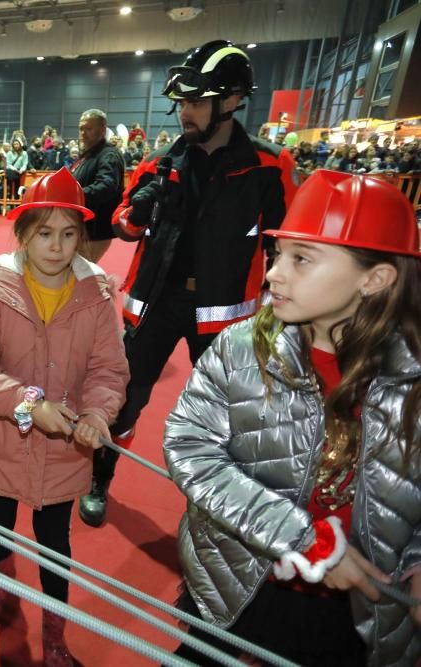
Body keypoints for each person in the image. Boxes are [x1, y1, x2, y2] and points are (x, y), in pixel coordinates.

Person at [164, 170, 421, 666]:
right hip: (238, 580)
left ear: (376, 278)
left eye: (302, 259)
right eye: (279, 254)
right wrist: (302, 537)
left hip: (355, 612)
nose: (274, 274)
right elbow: (190, 448)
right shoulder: (241, 349)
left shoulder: (413, 377)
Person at [78, 40, 299, 527]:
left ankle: (211, 509)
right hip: (155, 303)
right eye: (182, 102)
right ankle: (99, 478)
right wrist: (138, 209)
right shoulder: (160, 161)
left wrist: (282, 309)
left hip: (226, 315)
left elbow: (287, 245)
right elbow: (122, 224)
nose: (185, 112)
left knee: (225, 421)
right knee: (124, 399)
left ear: (233, 100)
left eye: (197, 102)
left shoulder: (269, 167)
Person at [0, 168, 129, 667]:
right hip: (2, 441)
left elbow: (108, 368)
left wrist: (97, 413)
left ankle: (55, 632)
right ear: (23, 235)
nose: (57, 246)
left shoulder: (97, 295)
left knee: (55, 544)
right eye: (44, 233)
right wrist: (27, 404)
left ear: (82, 235)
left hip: (63, 451)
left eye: (69, 233)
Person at [71, 108, 125, 262]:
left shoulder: (108, 155)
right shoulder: (89, 155)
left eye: (88, 128)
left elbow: (106, 187)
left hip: (95, 230)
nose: (83, 133)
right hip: (83, 227)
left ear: (102, 130)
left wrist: (73, 194)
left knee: (81, 274)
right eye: (81, 128)